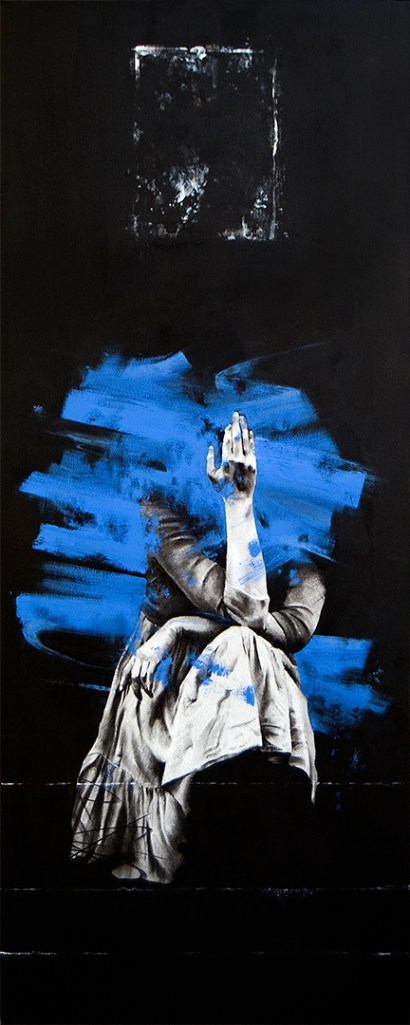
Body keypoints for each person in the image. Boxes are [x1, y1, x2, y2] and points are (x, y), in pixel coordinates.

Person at [71, 412, 325, 883]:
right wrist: (236, 505)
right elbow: (241, 610)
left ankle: (252, 834)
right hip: (164, 684)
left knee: (245, 647)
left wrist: (180, 625)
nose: (239, 465)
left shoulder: (304, 543)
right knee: (242, 644)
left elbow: (286, 627)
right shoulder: (166, 508)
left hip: (245, 692)